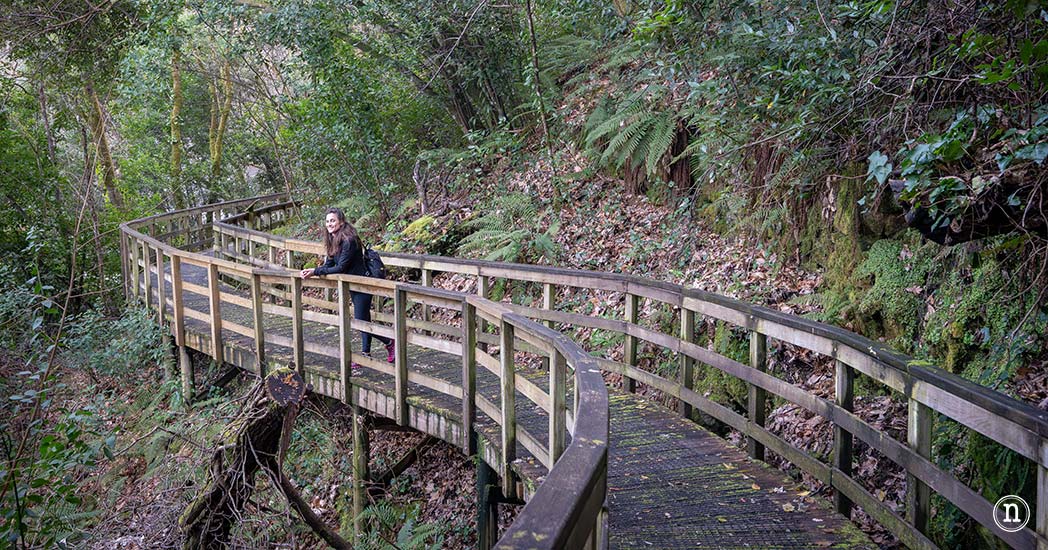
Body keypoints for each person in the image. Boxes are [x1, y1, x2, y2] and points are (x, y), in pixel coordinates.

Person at [301, 207, 395, 365]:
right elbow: (330, 263)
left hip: (363, 283)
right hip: (353, 284)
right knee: (364, 319)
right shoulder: (333, 238)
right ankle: (366, 354)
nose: (329, 224)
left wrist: (315, 271)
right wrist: (315, 270)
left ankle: (389, 342)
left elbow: (341, 267)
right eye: (327, 221)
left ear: (341, 222)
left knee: (360, 320)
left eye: (333, 220)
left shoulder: (349, 240)